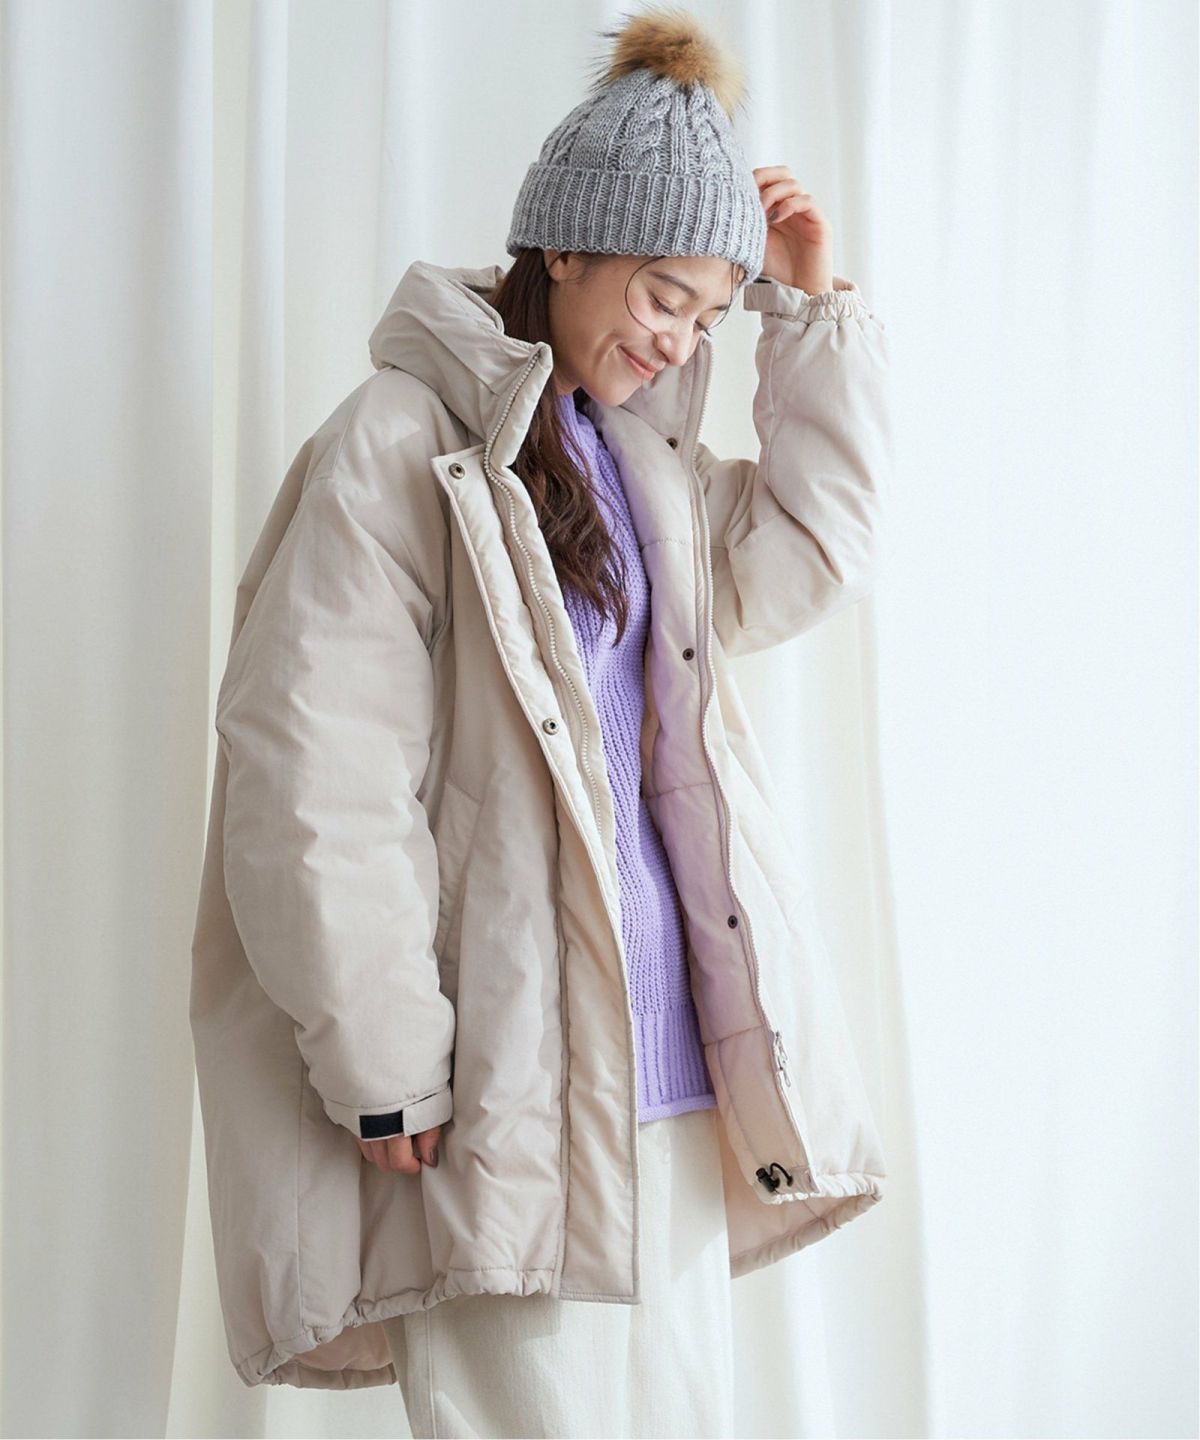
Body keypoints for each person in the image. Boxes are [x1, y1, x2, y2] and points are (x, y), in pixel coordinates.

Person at [188, 4, 891, 1433]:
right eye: (661, 295)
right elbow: (314, 772)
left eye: (705, 317)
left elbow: (810, 557)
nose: (675, 340)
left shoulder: (645, 467)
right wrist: (385, 1060)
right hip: (501, 1081)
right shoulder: (395, 445)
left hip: (673, 1066)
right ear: (565, 246)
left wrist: (809, 316)